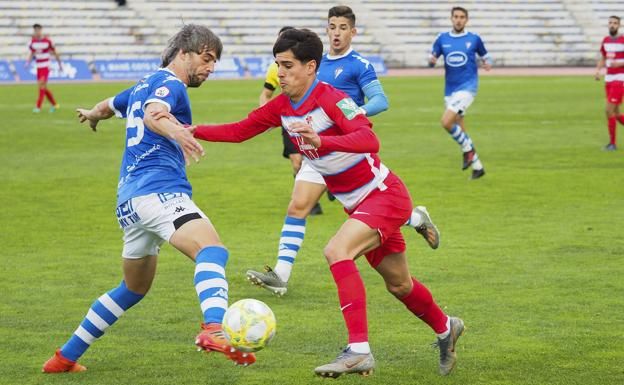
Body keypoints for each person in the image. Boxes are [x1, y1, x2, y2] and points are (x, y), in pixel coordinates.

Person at [173, 28, 463, 378]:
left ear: (311, 66)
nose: (280, 73)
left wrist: (323, 141)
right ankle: (447, 327)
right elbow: (240, 130)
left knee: (336, 251)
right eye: (277, 65)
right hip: (359, 206)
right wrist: (188, 130)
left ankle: (358, 351)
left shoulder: (332, 98)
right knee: (400, 284)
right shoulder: (282, 106)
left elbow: (370, 139)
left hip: (384, 195)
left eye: (288, 65)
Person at [41, 25, 256, 374]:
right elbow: (154, 115)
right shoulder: (170, 84)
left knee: (132, 288)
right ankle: (215, 329)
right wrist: (178, 133)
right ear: (184, 53)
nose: (211, 68)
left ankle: (64, 358)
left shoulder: (142, 84)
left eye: (214, 61)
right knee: (212, 250)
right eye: (207, 58)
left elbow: (109, 105)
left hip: (129, 202)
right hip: (159, 191)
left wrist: (93, 115)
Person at [246, 5, 438, 296]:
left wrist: (351, 115)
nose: (336, 33)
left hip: (344, 151)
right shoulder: (312, 62)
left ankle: (414, 218)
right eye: (332, 26)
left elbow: (380, 100)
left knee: (362, 210)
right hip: (314, 148)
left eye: (343, 28)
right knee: (298, 205)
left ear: (353, 32)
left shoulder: (359, 64)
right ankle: (281, 274)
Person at [260, 26, 323, 216]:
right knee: (297, 161)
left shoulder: (306, 68)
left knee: (318, 159)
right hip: (288, 120)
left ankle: (324, 188)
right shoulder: (274, 70)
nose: (282, 71)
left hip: (312, 120)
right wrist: (265, 114)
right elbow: (266, 93)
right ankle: (309, 203)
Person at [429, 7, 491, 179]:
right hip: (449, 90)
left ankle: (468, 151)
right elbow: (432, 59)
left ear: (466, 20)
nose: (458, 20)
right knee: (460, 129)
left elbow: (486, 55)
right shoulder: (442, 39)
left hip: (468, 88)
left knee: (446, 122)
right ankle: (478, 167)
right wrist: (431, 61)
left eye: (462, 17)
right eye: (456, 17)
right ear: (451, 19)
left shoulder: (474, 38)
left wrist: (488, 63)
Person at [595, 15, 624, 151]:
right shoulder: (605, 40)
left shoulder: (623, 40)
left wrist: (620, 62)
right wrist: (598, 70)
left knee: (608, 110)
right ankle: (612, 144)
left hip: (620, 79)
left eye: (615, 23)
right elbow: (604, 56)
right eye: (610, 23)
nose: (612, 25)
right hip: (609, 79)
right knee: (616, 113)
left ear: (619, 26)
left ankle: (612, 144)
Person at [27, 24, 62, 113]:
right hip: (38, 67)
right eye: (35, 30)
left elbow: (55, 52)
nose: (37, 32)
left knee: (41, 84)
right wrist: (28, 62)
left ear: (41, 30)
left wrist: (60, 64)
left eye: (38, 30)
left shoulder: (47, 41)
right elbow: (32, 53)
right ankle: (54, 104)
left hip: (46, 66)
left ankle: (38, 107)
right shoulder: (32, 42)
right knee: (43, 87)